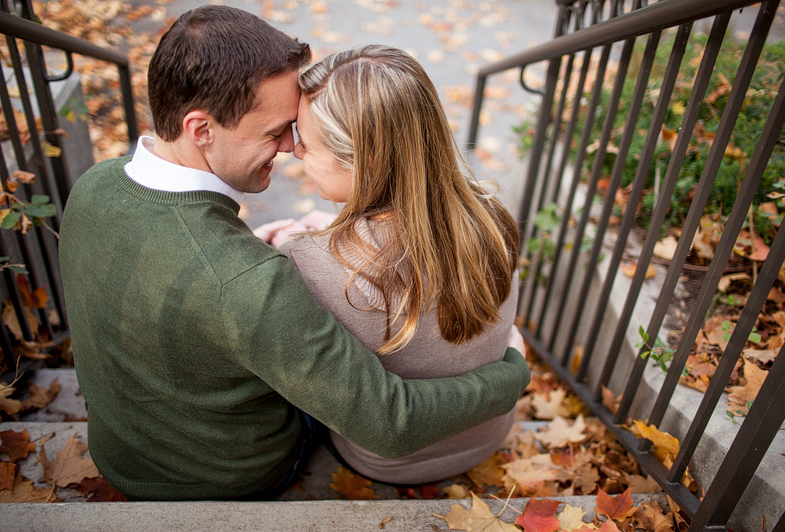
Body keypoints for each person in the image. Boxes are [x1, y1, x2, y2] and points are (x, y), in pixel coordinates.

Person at [57, 5, 530, 501]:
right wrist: (510, 375)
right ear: (201, 130)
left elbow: (192, 277)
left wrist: (259, 258)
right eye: (275, 130)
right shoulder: (252, 283)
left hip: (120, 451)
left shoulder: (94, 186)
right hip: (226, 477)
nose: (290, 146)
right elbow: (389, 420)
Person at [264, 45, 521, 485]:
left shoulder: (306, 263)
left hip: (385, 462)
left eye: (306, 141)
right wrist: (330, 234)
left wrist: (275, 247)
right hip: (488, 436)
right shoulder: (491, 215)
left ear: (365, 160)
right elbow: (409, 248)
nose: (294, 149)